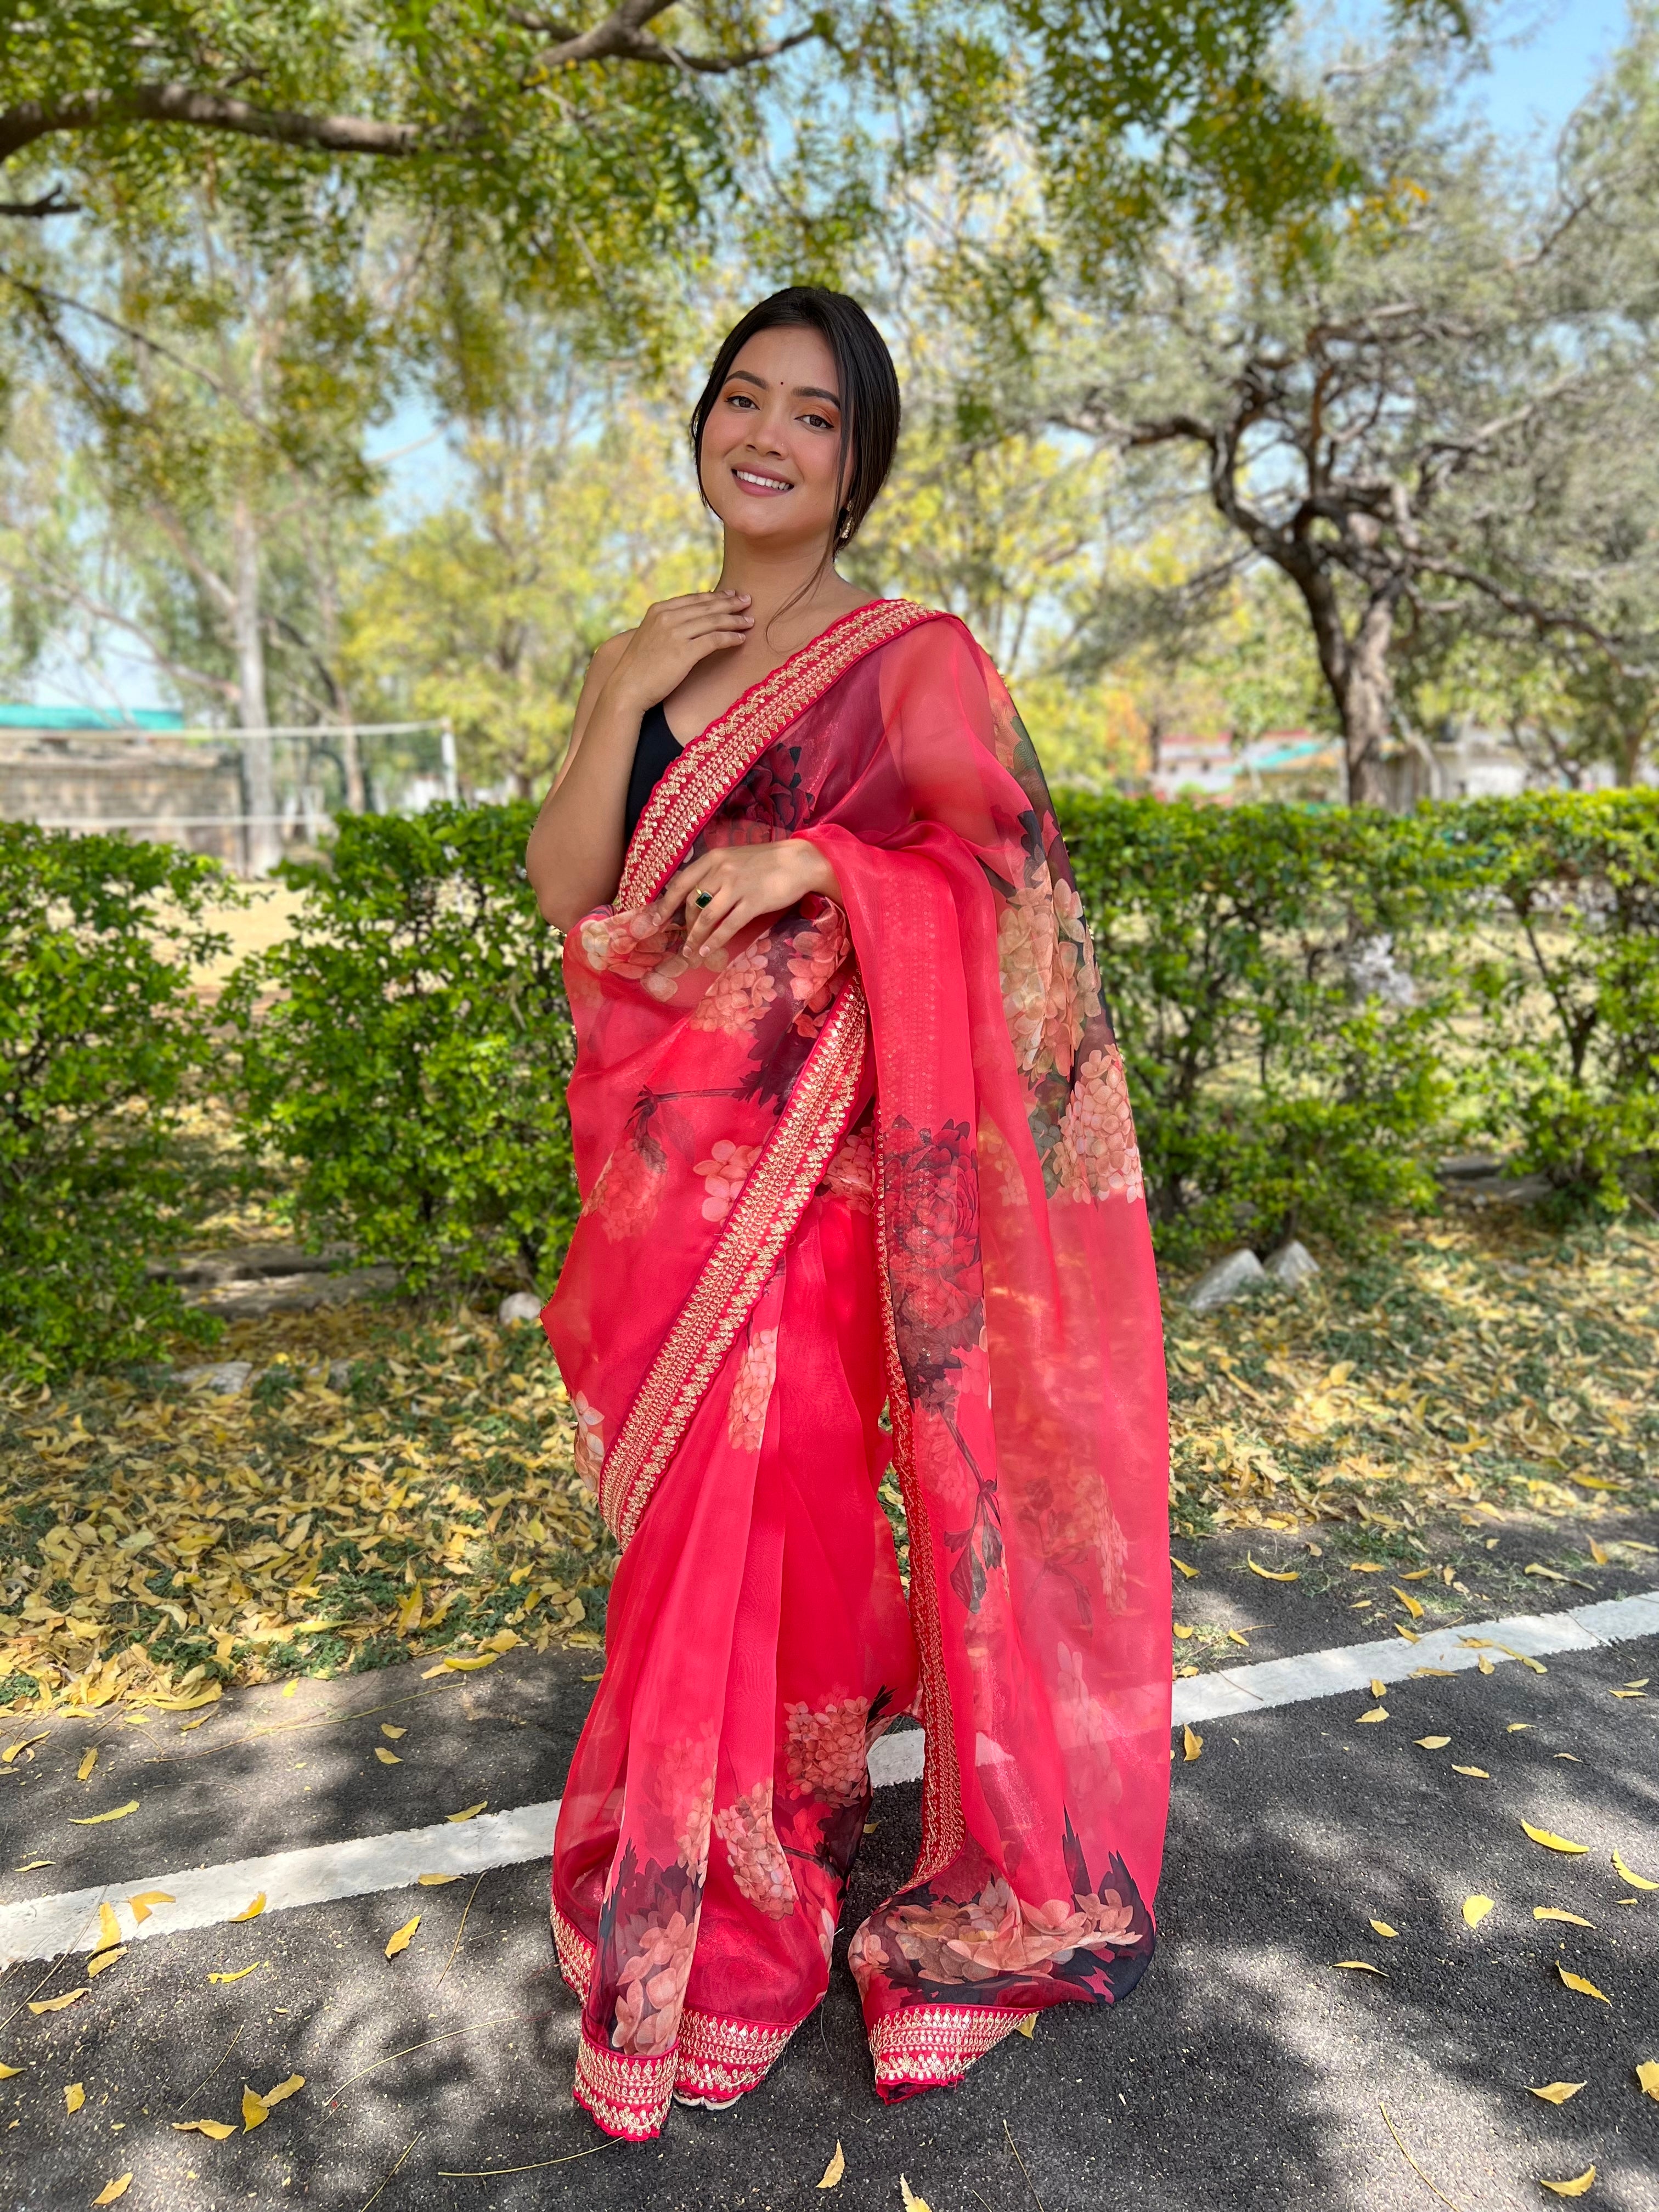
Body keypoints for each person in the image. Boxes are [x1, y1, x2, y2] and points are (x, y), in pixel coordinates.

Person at [525, 285, 1171, 2143]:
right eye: (745, 399)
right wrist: (611, 692)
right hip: (660, 1191)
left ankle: (752, 1867)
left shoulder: (910, 661)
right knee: (684, 1545)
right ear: (705, 429)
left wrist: (830, 857)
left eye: (815, 415)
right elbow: (575, 892)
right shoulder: (657, 648)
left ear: (856, 464)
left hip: (820, 1192)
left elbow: (1008, 887)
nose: (770, 435)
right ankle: (720, 1847)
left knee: (786, 1504)